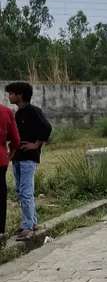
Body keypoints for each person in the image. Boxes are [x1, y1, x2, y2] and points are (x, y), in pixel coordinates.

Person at [4, 82, 52, 241]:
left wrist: (36, 144)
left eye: (11, 93)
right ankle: (32, 221)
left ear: (20, 95)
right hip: (18, 157)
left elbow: (47, 127)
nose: (9, 96)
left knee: (26, 192)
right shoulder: (17, 114)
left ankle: (28, 227)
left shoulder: (33, 111)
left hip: (28, 159)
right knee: (20, 190)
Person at [0, 101, 21, 241]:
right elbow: (16, 139)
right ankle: (0, 231)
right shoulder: (6, 111)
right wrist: (9, 155)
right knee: (0, 194)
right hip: (0, 159)